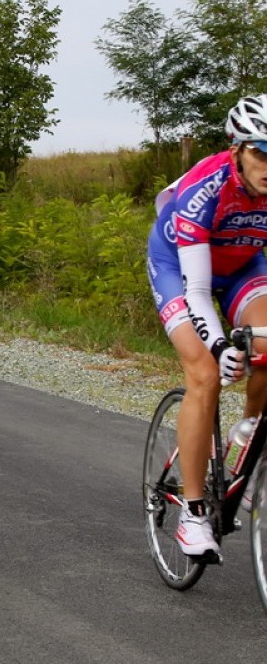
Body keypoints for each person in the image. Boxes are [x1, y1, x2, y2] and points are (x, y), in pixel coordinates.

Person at [147, 93, 267, 557]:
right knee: (204, 375)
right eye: (261, 151)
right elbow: (197, 292)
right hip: (179, 267)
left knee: (265, 350)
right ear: (236, 148)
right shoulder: (207, 186)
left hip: (242, 266)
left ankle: (251, 446)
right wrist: (220, 348)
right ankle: (194, 513)